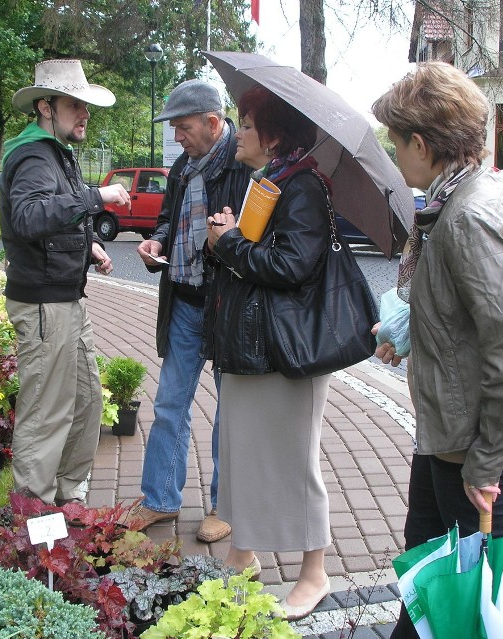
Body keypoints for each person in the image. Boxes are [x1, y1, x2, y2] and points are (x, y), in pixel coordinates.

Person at [370, 62, 503, 638]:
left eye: (396, 142)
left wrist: (486, 464)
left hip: (479, 439)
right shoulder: (474, 189)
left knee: (471, 596)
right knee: (431, 568)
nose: (394, 155)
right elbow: (468, 316)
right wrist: (412, 336)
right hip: (455, 426)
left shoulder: (465, 217)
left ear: (423, 144)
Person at [205, 85, 334, 620]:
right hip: (252, 348)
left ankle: (314, 572)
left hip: (284, 352)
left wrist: (230, 242)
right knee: (242, 453)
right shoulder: (270, 180)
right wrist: (228, 239)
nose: (239, 132)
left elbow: (290, 267)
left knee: (293, 459)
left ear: (273, 134)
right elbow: (256, 259)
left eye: (247, 122)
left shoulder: (301, 186)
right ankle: (243, 553)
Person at [0, 59, 130, 506]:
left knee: (87, 401)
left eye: (86, 105)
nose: (85, 113)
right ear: (45, 107)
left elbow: (56, 214)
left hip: (65, 302)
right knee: (45, 414)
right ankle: (33, 515)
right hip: (43, 308)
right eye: (75, 104)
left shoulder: (56, 153)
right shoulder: (34, 154)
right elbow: (28, 217)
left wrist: (89, 242)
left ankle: (68, 499)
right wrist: (97, 197)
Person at [130, 79, 251, 542]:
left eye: (183, 128)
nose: (177, 138)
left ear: (213, 123)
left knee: (231, 411)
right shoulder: (183, 166)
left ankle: (226, 505)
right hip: (182, 300)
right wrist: (157, 240)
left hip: (224, 307)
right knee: (169, 404)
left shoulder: (244, 166)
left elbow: (256, 243)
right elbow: (167, 217)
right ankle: (161, 499)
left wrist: (230, 238)